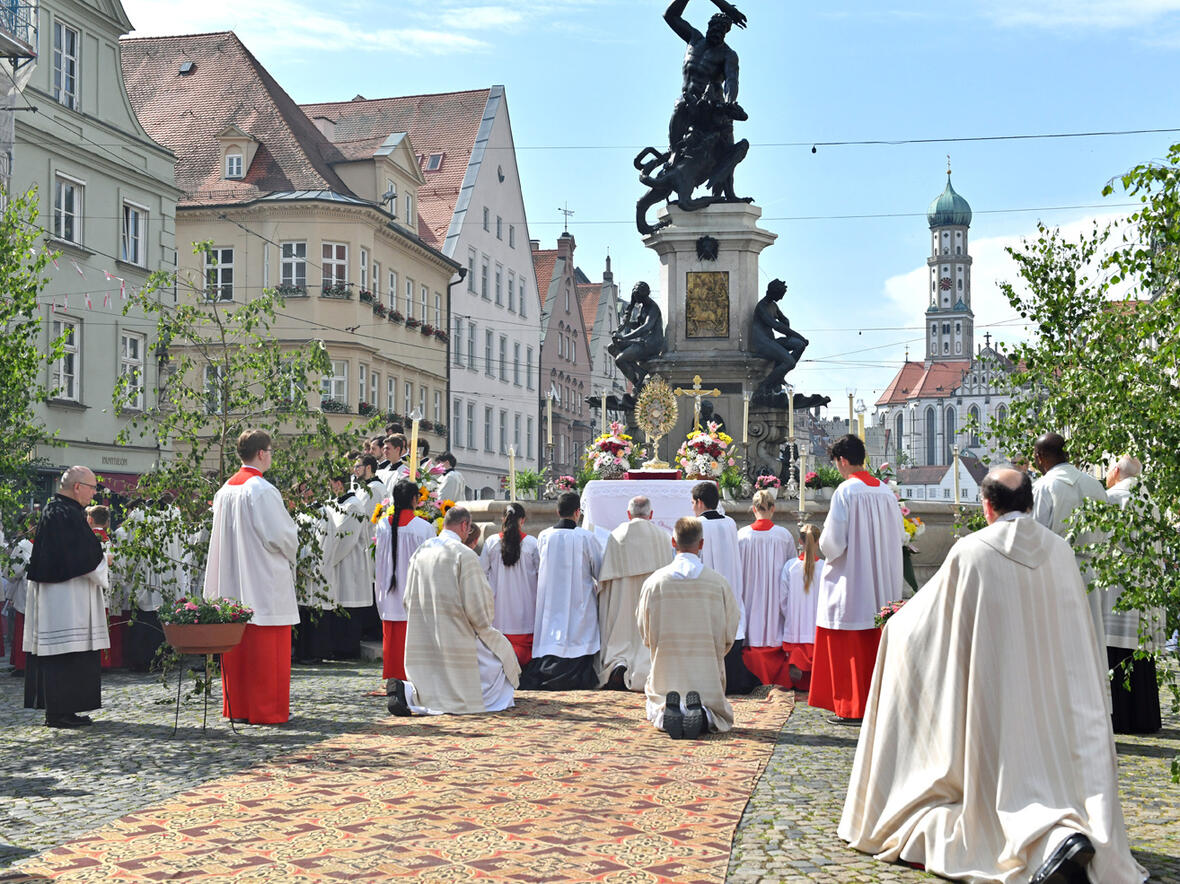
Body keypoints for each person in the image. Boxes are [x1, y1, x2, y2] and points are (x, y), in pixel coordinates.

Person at [840, 468, 1147, 884]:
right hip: (1055, 702)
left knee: (985, 802)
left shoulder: (972, 551)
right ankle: (1061, 834)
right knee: (1053, 780)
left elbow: (930, 624)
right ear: (1030, 504)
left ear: (987, 506)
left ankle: (1045, 841)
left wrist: (894, 626)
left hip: (995, 698)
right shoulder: (1060, 552)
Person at [204, 429, 299, 725]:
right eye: (270, 451)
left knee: (238, 645)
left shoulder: (224, 490)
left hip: (232, 578)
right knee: (268, 649)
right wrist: (295, 545)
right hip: (262, 578)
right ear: (261, 453)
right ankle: (267, 710)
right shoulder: (262, 489)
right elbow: (281, 536)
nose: (270, 456)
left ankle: (238, 707)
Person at [387, 506, 520, 716]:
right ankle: (442, 697)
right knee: (498, 660)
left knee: (432, 678)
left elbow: (407, 599)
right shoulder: (464, 554)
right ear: (465, 525)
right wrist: (485, 625)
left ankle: (408, 692)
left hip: (424, 634)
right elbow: (478, 609)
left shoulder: (421, 551)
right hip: (457, 634)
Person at [811, 434, 904, 724]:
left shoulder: (846, 491)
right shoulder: (886, 492)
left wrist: (820, 545)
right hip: (882, 579)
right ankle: (880, 706)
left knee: (849, 643)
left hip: (853, 579)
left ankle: (853, 706)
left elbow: (833, 544)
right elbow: (900, 535)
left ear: (842, 460)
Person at [23, 466, 110, 729]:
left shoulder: (59, 510)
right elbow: (83, 555)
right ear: (77, 487)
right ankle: (58, 712)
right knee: (63, 653)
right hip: (63, 599)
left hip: (63, 595)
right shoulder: (64, 513)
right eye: (92, 488)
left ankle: (65, 710)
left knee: (69, 653)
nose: (94, 494)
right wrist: (104, 561)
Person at [638, 516, 739, 739]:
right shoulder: (717, 583)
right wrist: (717, 651)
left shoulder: (654, 582)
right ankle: (703, 713)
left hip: (666, 666)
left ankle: (667, 711)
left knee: (658, 700)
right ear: (701, 544)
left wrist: (655, 645)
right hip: (705, 668)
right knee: (713, 708)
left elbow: (644, 628)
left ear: (673, 542)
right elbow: (730, 628)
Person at [1031, 432, 1109, 649]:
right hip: (1091, 573)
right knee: (1089, 643)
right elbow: (1108, 533)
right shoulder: (1096, 486)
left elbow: (1034, 536)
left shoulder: (1043, 487)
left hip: (1055, 571)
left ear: (1039, 456)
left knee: (1058, 644)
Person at [1103, 455, 1163, 734]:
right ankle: (1144, 718)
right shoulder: (1150, 503)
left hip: (1115, 583)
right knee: (1139, 650)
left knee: (1114, 650)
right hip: (1144, 585)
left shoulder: (1110, 499)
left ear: (1116, 470)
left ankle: (1118, 718)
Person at [519, 491, 604, 690]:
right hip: (579, 598)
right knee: (579, 629)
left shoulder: (544, 536)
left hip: (551, 598)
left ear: (557, 511)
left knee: (552, 631)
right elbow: (599, 569)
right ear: (577, 512)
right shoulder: (587, 537)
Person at [595, 496, 673, 691]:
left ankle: (618, 664)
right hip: (652, 600)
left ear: (628, 514)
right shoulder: (663, 537)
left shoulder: (616, 535)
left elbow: (605, 580)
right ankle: (645, 667)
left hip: (623, 597)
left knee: (622, 631)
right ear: (651, 514)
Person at [691, 481, 757, 693]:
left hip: (708, 584)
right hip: (731, 581)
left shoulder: (698, 525)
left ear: (699, 502)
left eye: (692, 503)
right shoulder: (729, 522)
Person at [374, 480, 435, 683]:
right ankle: (411, 679)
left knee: (392, 641)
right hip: (413, 594)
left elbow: (379, 562)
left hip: (388, 591)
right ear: (415, 500)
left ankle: (393, 679)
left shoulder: (382, 526)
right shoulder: (424, 528)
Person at [736, 489, 797, 686]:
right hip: (774, 591)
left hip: (749, 590)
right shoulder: (783, 535)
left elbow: (736, 568)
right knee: (773, 626)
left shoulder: (742, 535)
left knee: (751, 622)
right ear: (773, 508)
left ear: (753, 509)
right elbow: (791, 567)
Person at [479, 503, 540, 668]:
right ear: (522, 520)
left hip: (499, 613)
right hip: (527, 612)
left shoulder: (492, 542)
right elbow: (541, 574)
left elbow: (481, 574)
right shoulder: (532, 544)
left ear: (503, 519)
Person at [320, 473, 371, 659]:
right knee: (338, 607)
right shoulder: (333, 503)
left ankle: (347, 649)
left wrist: (325, 561)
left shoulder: (353, 506)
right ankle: (337, 647)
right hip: (336, 563)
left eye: (331, 483)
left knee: (348, 607)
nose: (329, 487)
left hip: (350, 563)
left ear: (338, 483)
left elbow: (344, 538)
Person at [751, 279, 808, 403]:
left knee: (800, 345)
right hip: (762, 343)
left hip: (771, 341)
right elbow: (776, 326)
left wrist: (787, 326)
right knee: (790, 362)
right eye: (780, 295)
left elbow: (783, 320)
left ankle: (778, 376)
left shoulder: (773, 305)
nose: (781, 298)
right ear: (773, 292)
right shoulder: (761, 307)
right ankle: (763, 386)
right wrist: (798, 335)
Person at [780, 523, 822, 691]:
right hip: (817, 627)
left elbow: (783, 598)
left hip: (796, 627)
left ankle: (796, 674)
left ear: (800, 541)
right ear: (818, 542)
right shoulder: (825, 567)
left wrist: (790, 616)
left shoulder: (790, 566)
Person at [610, 281, 665, 393]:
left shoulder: (653, 308)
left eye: (637, 297)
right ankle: (640, 372)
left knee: (620, 360)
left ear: (644, 295)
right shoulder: (642, 306)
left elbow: (646, 327)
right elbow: (638, 325)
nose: (636, 299)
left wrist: (624, 337)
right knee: (612, 347)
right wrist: (627, 324)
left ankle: (638, 383)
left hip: (651, 344)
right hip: (642, 341)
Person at [3, 521, 33, 674]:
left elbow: (13, 572)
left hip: (26, 591)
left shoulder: (24, 545)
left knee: (22, 628)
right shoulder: (53, 543)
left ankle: (22, 663)